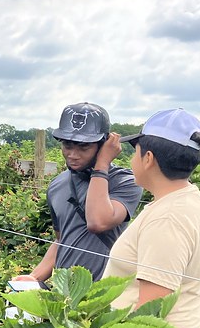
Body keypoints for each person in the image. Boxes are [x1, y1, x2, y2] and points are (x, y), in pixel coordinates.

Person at [103, 108, 200, 328]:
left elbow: (152, 307)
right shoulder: (182, 199)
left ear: (148, 158)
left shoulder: (168, 218)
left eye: (135, 151)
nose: (132, 158)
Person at [13, 103, 142, 285]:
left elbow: (98, 222)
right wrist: (35, 277)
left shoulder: (124, 182)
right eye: (67, 145)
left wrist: (102, 163)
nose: (73, 154)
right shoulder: (57, 185)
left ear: (104, 145)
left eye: (83, 147)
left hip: (105, 294)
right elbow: (61, 240)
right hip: (65, 294)